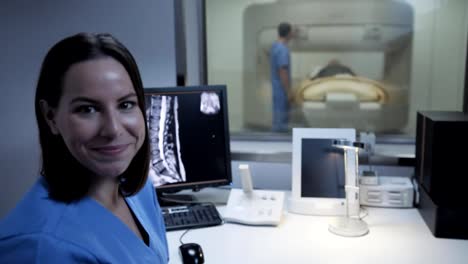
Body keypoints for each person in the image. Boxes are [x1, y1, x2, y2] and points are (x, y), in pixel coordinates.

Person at [0, 33, 169, 263]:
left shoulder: (139, 190)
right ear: (51, 117)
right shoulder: (42, 247)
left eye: (126, 104)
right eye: (87, 109)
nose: (113, 129)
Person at [270, 22, 294, 132]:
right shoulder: (283, 49)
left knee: (277, 118)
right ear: (289, 33)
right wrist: (288, 92)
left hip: (276, 89)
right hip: (281, 90)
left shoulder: (274, 46)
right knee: (281, 122)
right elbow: (283, 72)